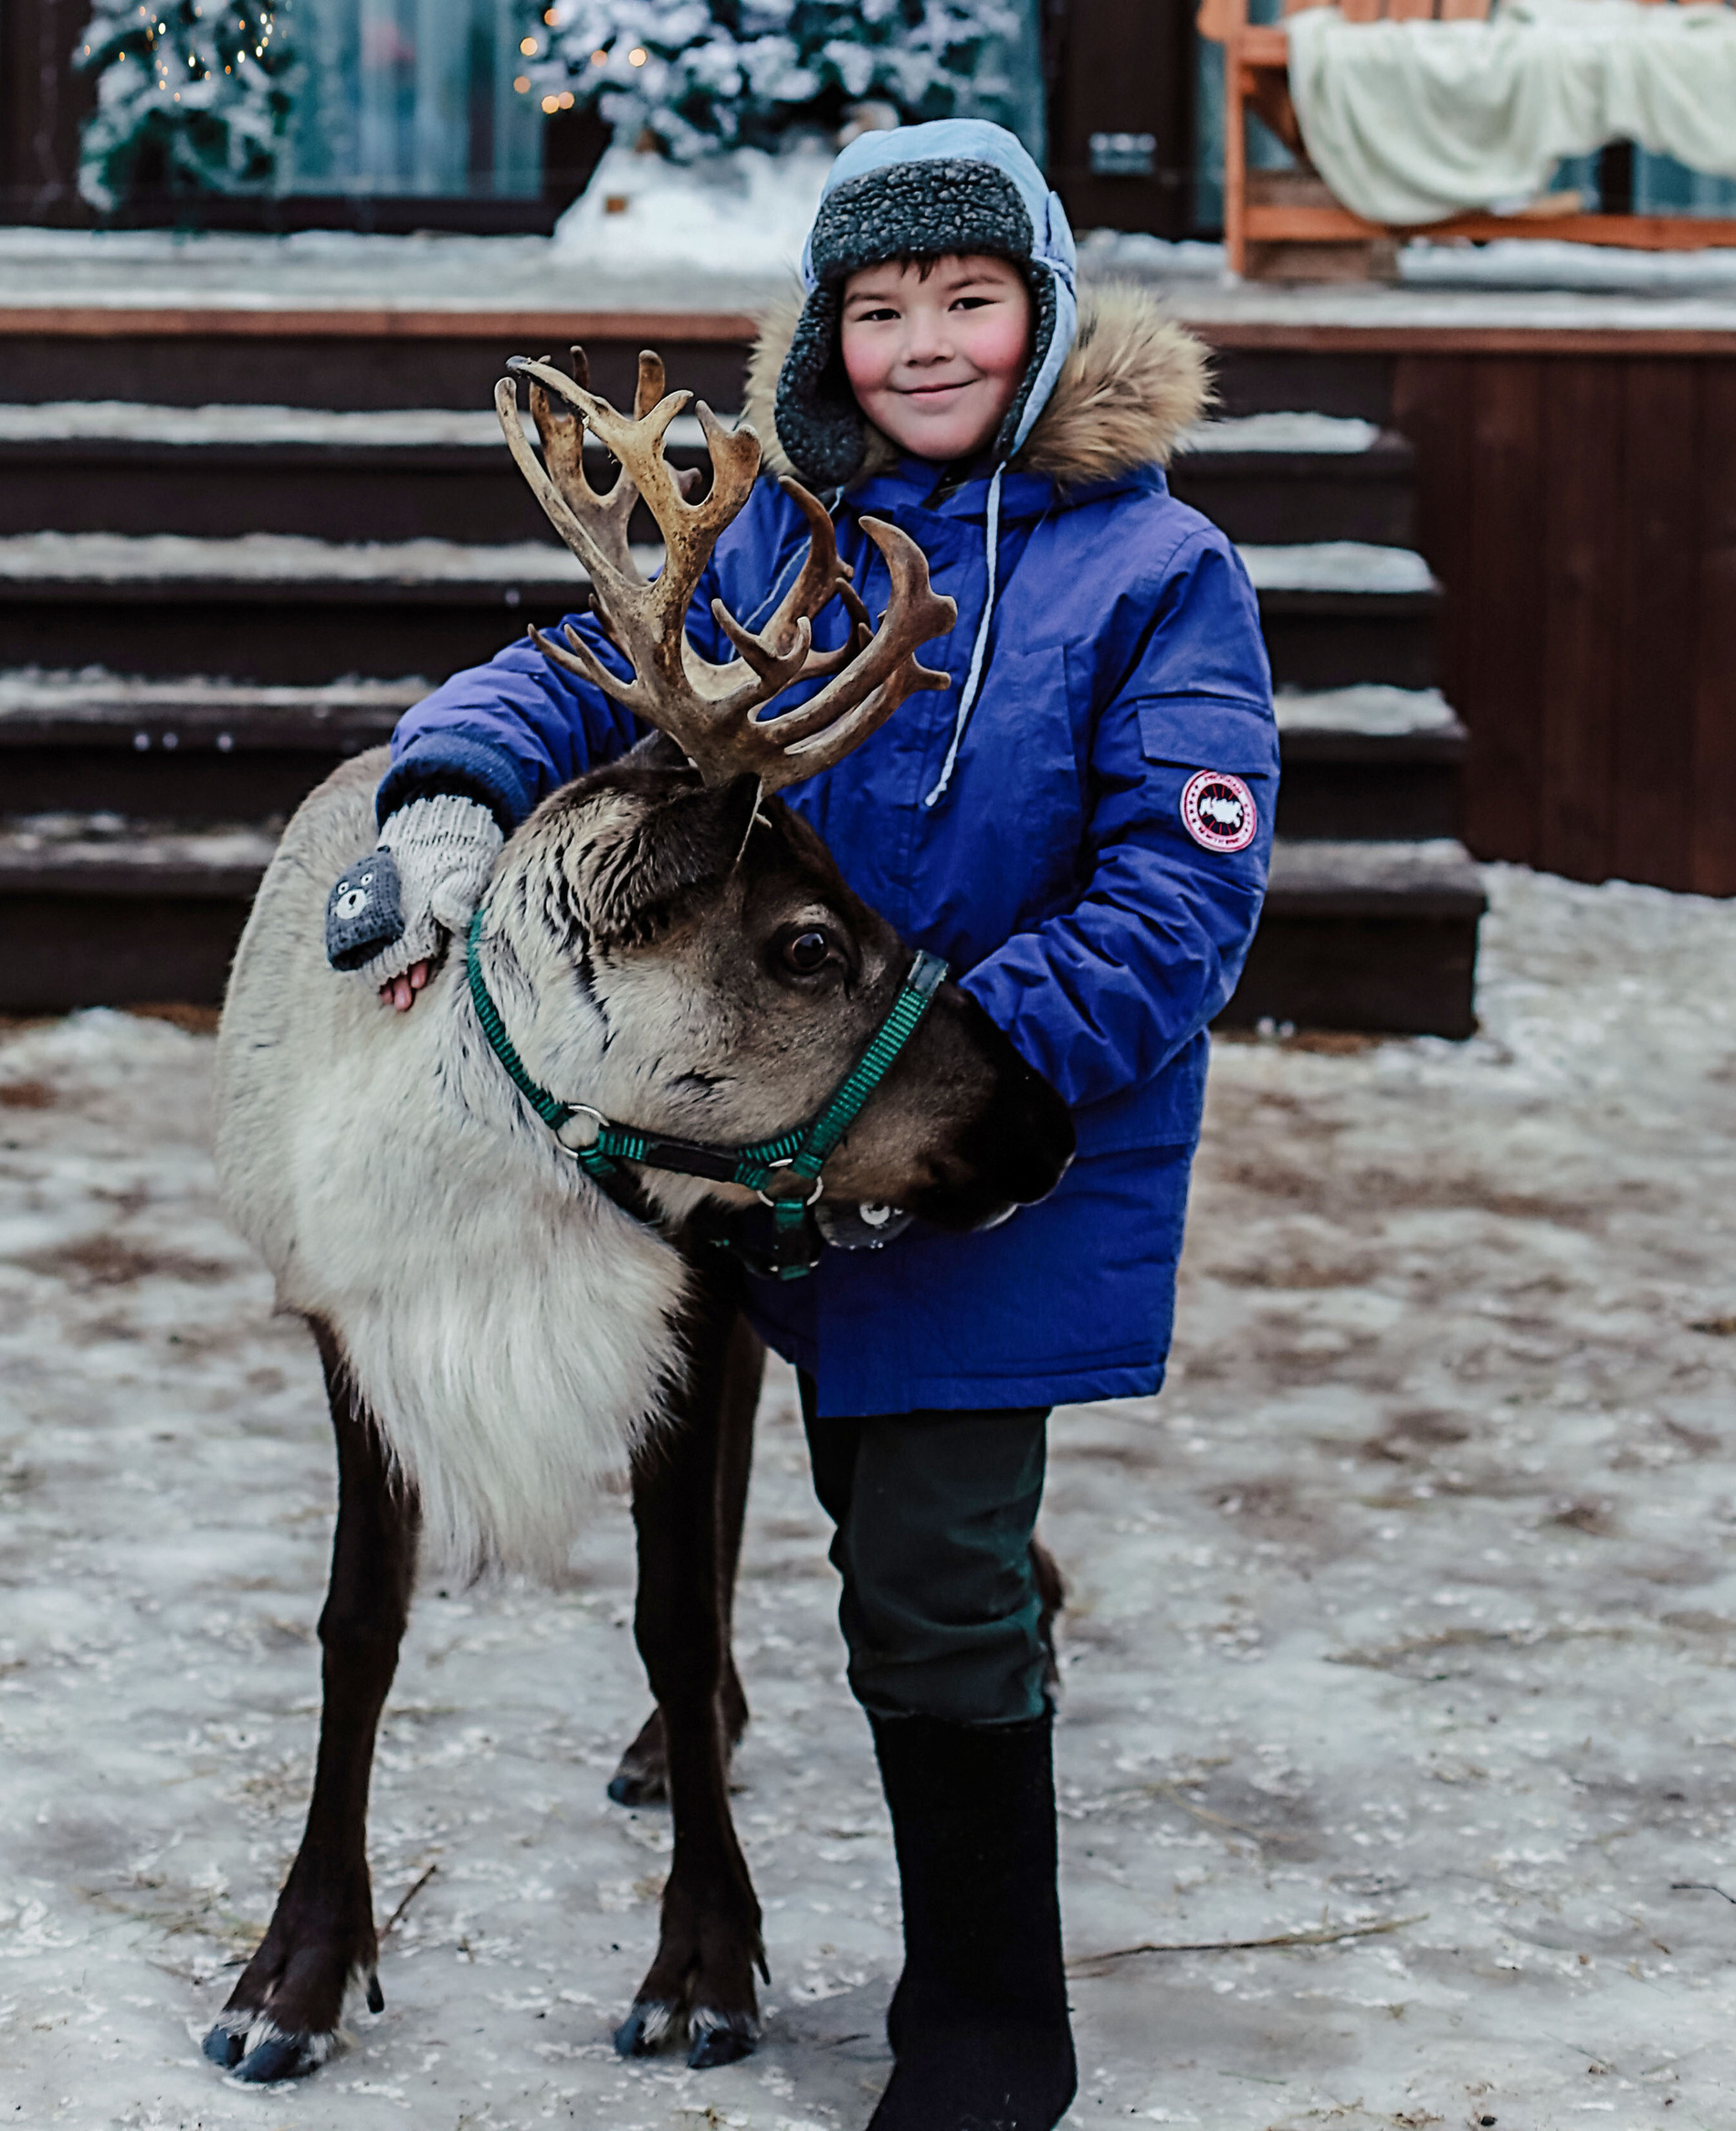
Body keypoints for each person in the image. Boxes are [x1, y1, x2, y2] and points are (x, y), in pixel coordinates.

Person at [334, 119, 1278, 2131]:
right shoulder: (774, 535)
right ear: (825, 331)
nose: (920, 344)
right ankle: (988, 1636)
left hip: (983, 1150)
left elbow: (1177, 893)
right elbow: (581, 673)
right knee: (896, 1538)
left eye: (964, 300)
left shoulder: (1158, 571)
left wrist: (918, 1070)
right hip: (766, 1151)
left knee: (918, 1573)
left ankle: (988, 2027)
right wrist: (442, 798)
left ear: (1038, 313)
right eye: (876, 309)